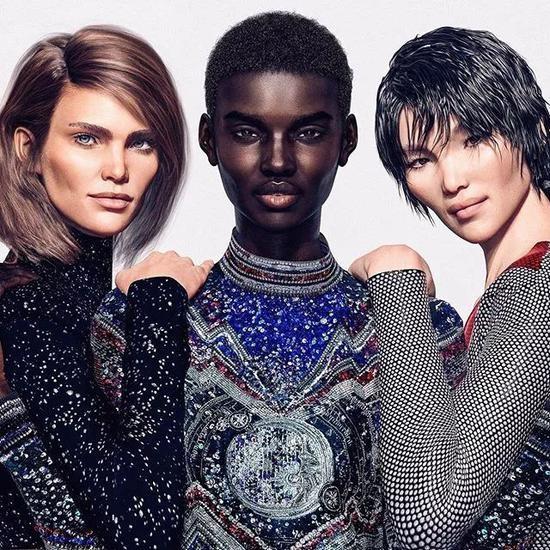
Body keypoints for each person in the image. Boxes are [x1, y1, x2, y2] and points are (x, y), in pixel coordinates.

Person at [0, 26, 212, 549]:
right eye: (87, 138)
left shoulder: (76, 301)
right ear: (28, 149)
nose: (117, 169)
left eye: (140, 143)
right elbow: (143, 528)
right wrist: (157, 303)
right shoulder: (29, 308)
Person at [350, 26, 550, 549]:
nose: (451, 180)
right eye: (421, 160)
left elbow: (428, 519)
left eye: (474, 139)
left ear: (536, 129)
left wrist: (397, 282)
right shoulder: (516, 285)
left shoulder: (537, 288)